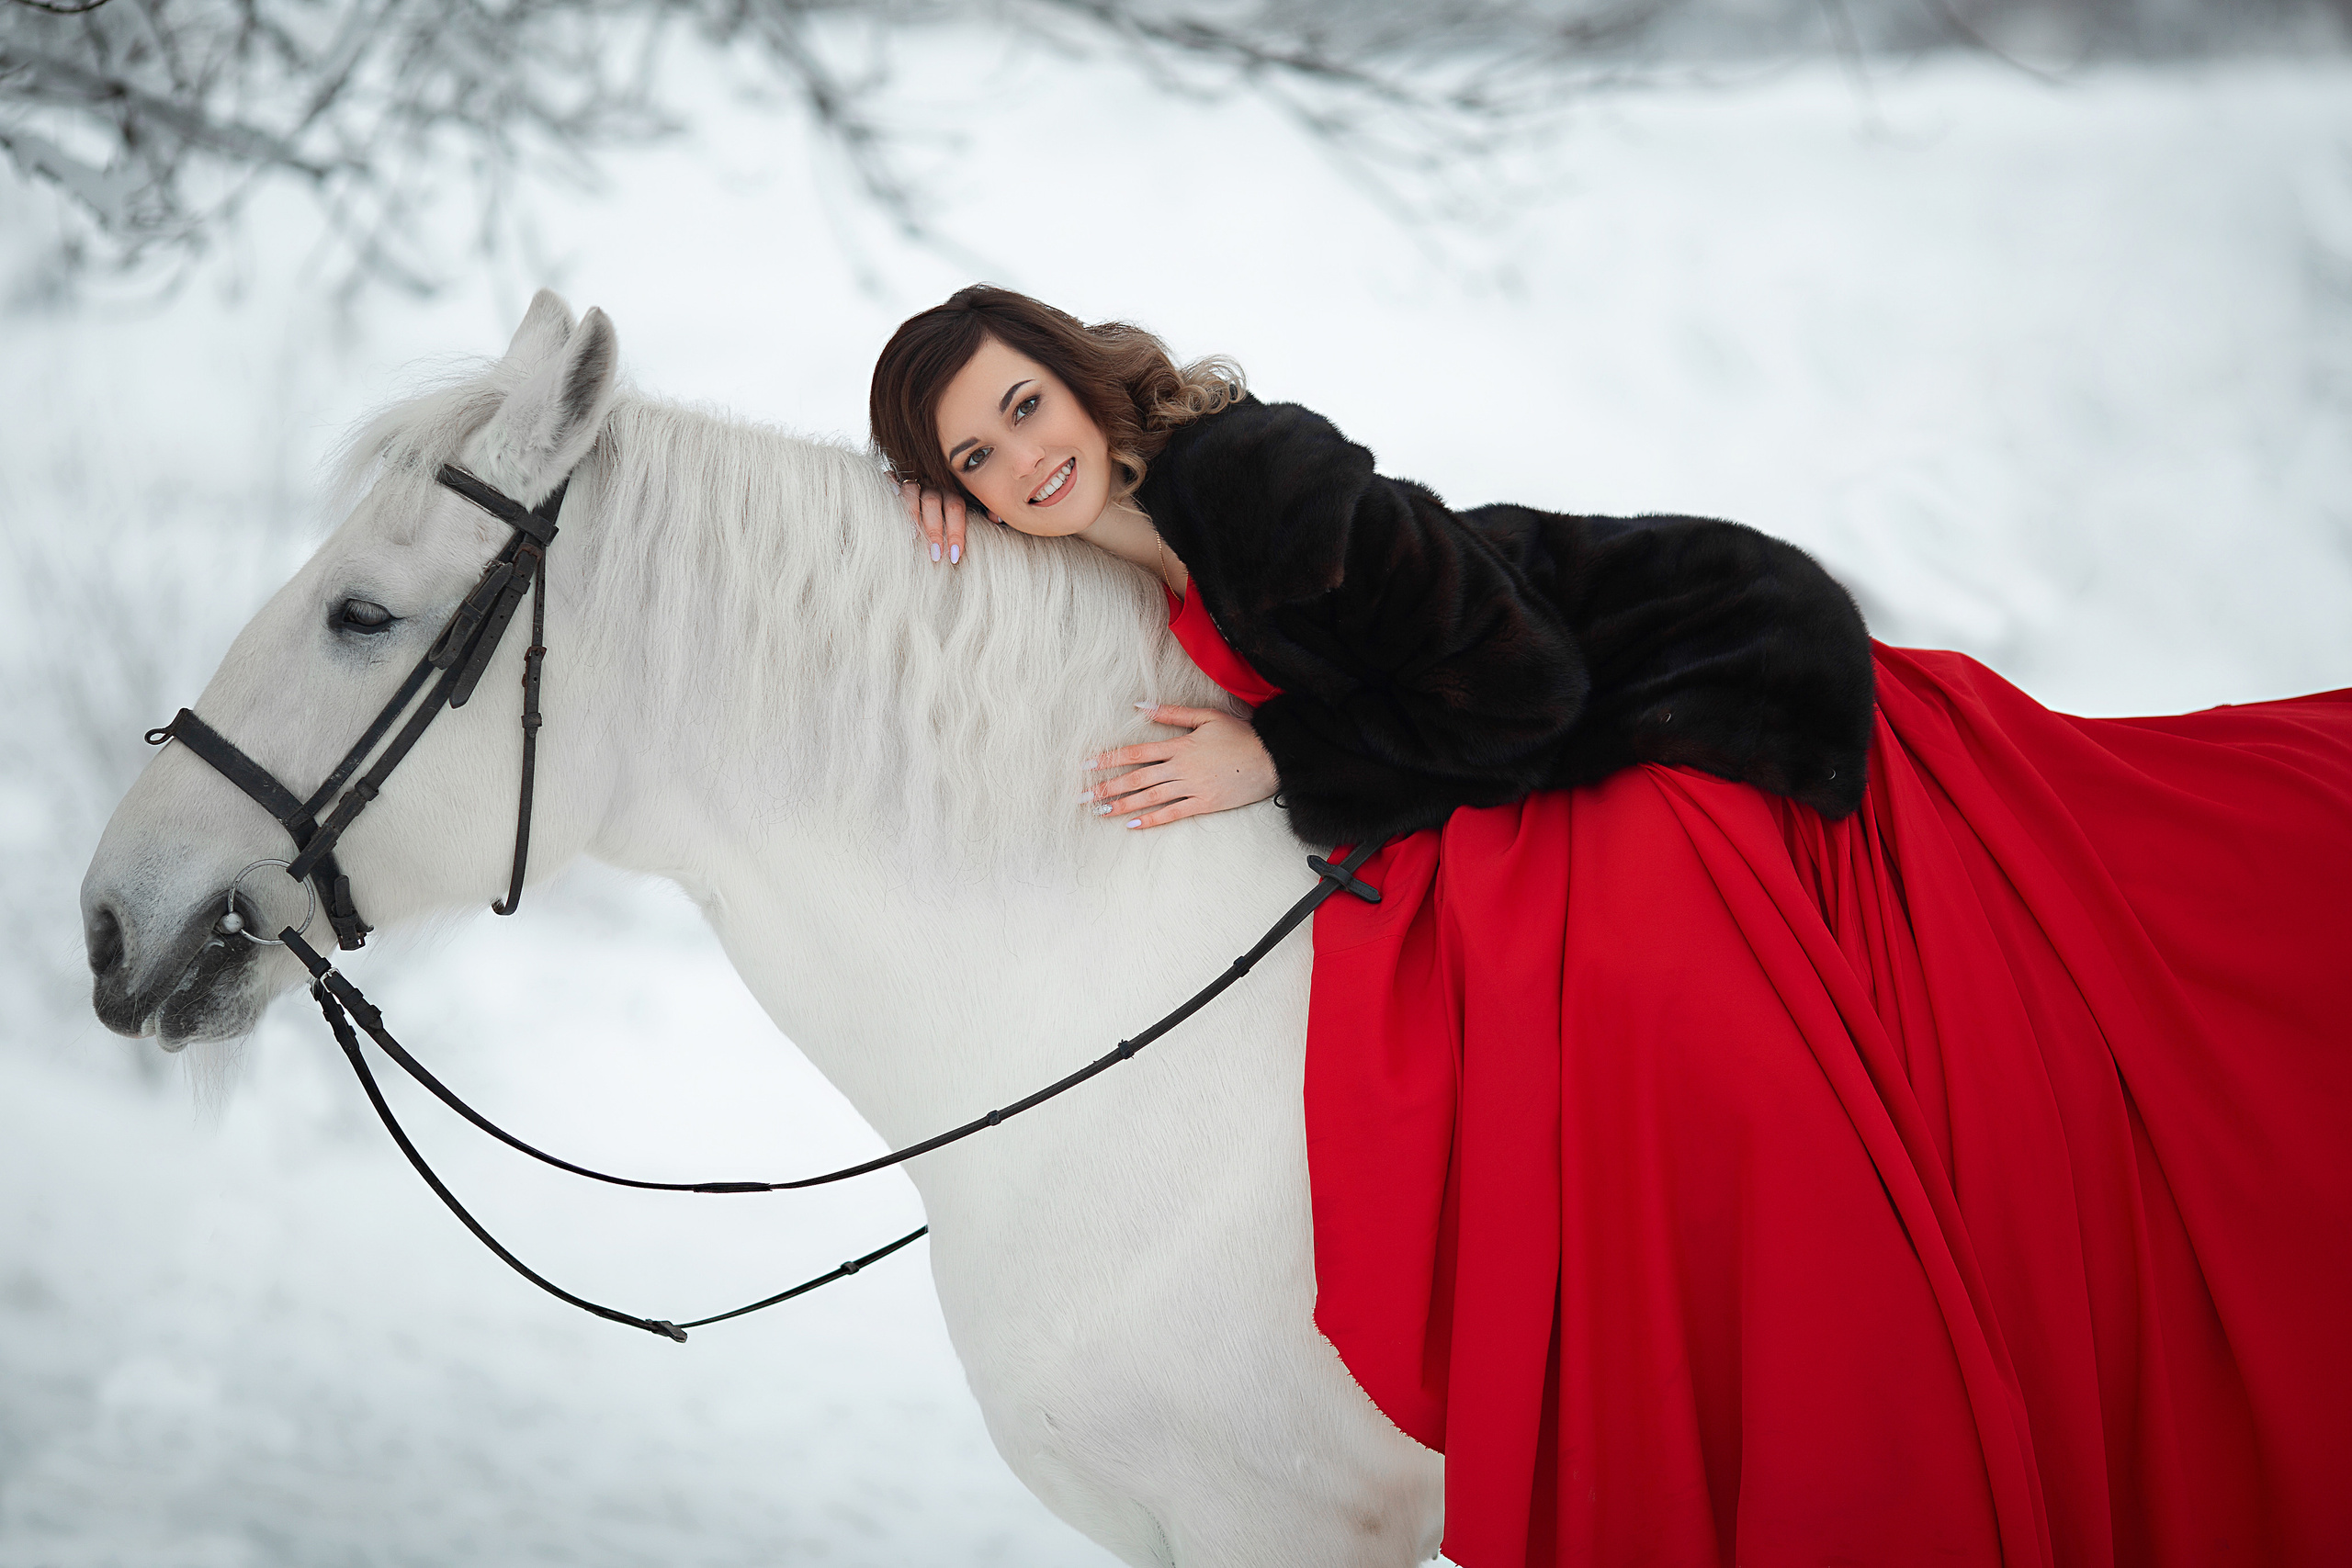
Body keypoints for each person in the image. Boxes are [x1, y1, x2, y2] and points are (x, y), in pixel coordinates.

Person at [870, 286, 2352, 1568]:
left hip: (1703, 677)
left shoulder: (1254, 473)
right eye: (979, 459)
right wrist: (927, 503)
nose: (1023, 457)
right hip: (1576, 732)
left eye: (1025, 405)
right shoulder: (1106, 526)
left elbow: (1519, 697)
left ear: (1080, 375)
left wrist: (1278, 762)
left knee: (1668, 1010)